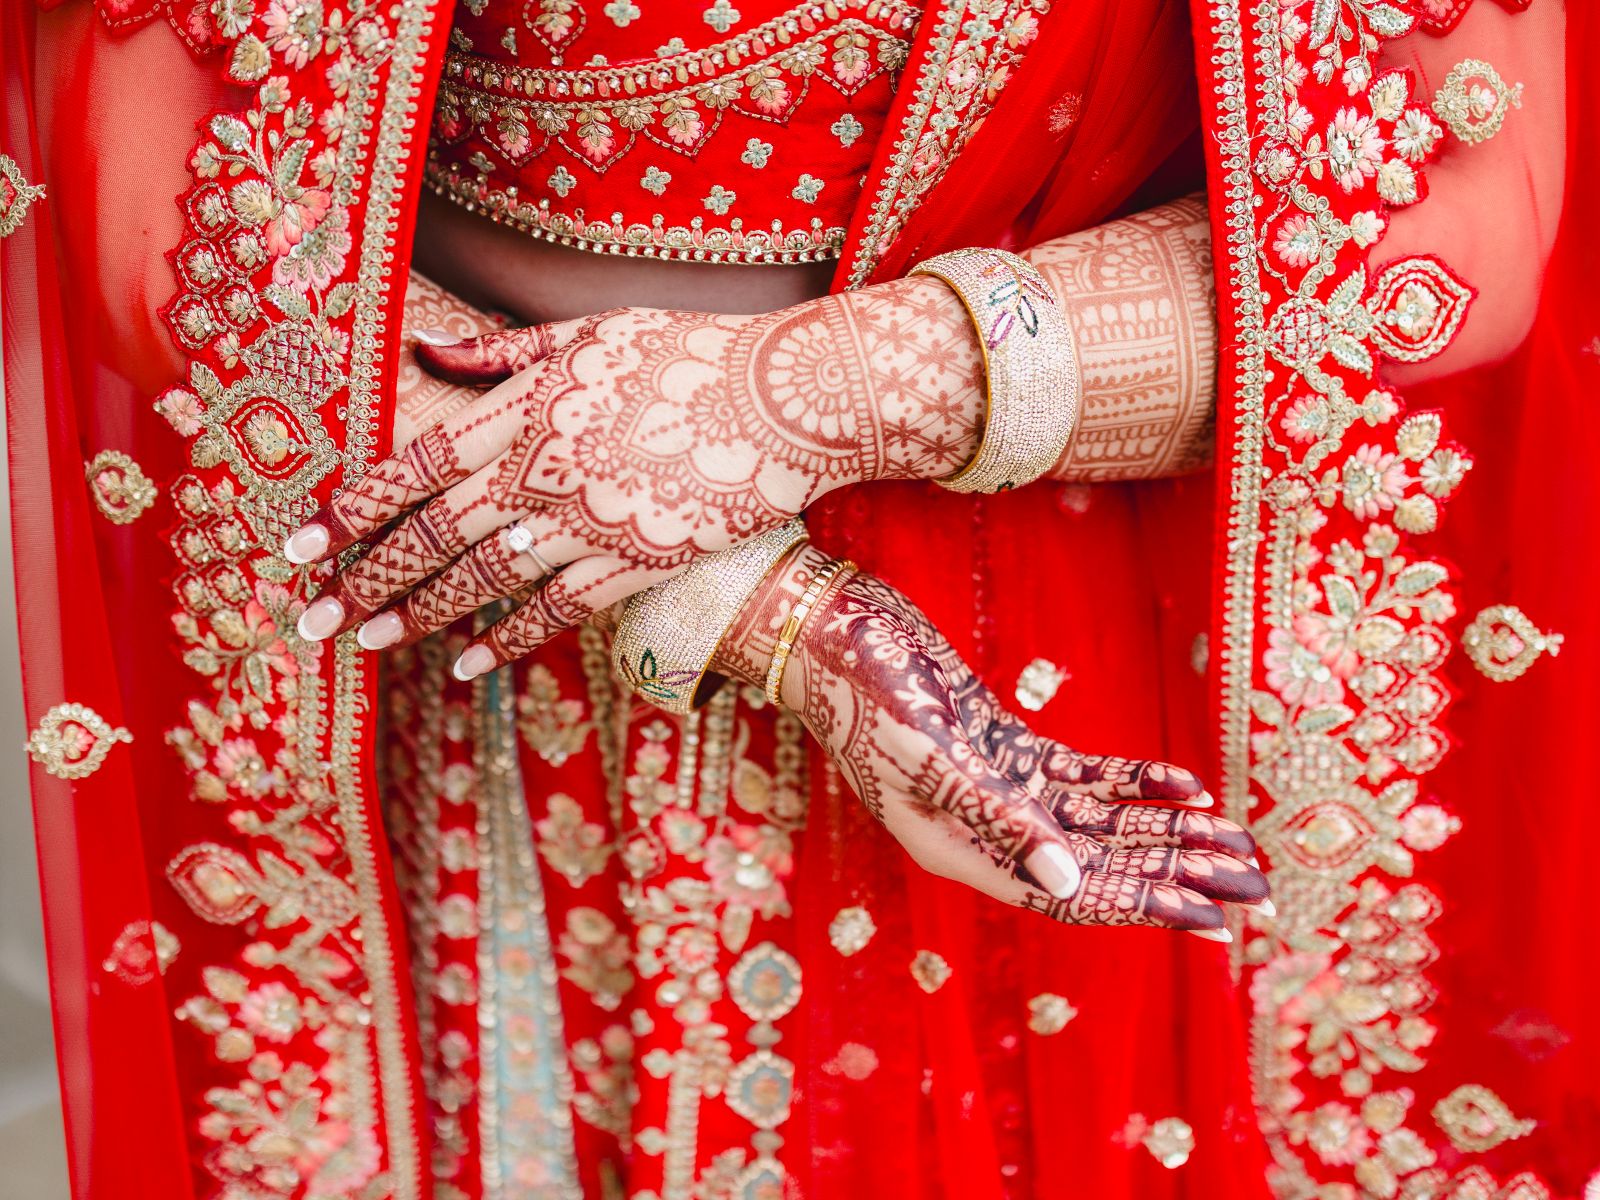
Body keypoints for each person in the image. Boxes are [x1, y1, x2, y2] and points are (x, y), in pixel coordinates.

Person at [2, 0, 1593, 1197]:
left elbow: (1443, 225)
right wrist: (801, 628)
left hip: (1089, 653)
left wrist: (788, 399)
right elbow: (188, 231)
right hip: (513, 614)